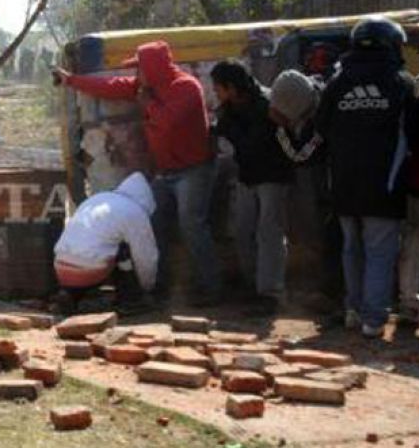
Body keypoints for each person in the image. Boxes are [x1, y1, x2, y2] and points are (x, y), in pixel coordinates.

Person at [55, 40, 220, 305]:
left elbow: (166, 123)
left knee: (192, 225)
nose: (136, 76)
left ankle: (211, 287)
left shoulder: (186, 88)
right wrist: (72, 80)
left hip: (193, 170)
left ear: (154, 69)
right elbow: (112, 87)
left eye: (140, 70)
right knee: (153, 225)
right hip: (166, 172)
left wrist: (146, 102)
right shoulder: (149, 88)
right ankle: (159, 285)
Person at [315, 16, 419, 338]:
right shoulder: (402, 83)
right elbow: (416, 135)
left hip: (344, 184)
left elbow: (321, 128)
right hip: (385, 184)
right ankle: (374, 319)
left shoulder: (337, 83)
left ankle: (354, 309)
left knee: (352, 248)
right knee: (379, 250)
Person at [212, 60, 292, 315]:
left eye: (218, 88)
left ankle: (270, 292)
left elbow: (252, 142)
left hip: (272, 175)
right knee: (243, 230)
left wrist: (226, 126)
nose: (216, 93)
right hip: (248, 175)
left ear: (232, 87)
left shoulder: (266, 104)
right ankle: (253, 284)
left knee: (268, 233)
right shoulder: (230, 108)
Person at [268, 69, 343, 317]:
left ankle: (336, 294)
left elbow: (301, 156)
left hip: (336, 185)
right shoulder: (315, 99)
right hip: (326, 183)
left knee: (332, 236)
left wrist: (280, 131)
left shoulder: (323, 114)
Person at [53, 172, 158, 315]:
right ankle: (131, 301)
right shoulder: (135, 212)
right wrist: (147, 287)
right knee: (124, 250)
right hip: (90, 270)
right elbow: (145, 257)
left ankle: (70, 295)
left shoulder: (98, 199)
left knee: (102, 244)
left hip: (60, 265)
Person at [398, 65, 419, 327]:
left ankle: (409, 302)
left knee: (413, 246)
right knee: (414, 246)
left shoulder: (417, 101)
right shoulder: (418, 101)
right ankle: (408, 302)